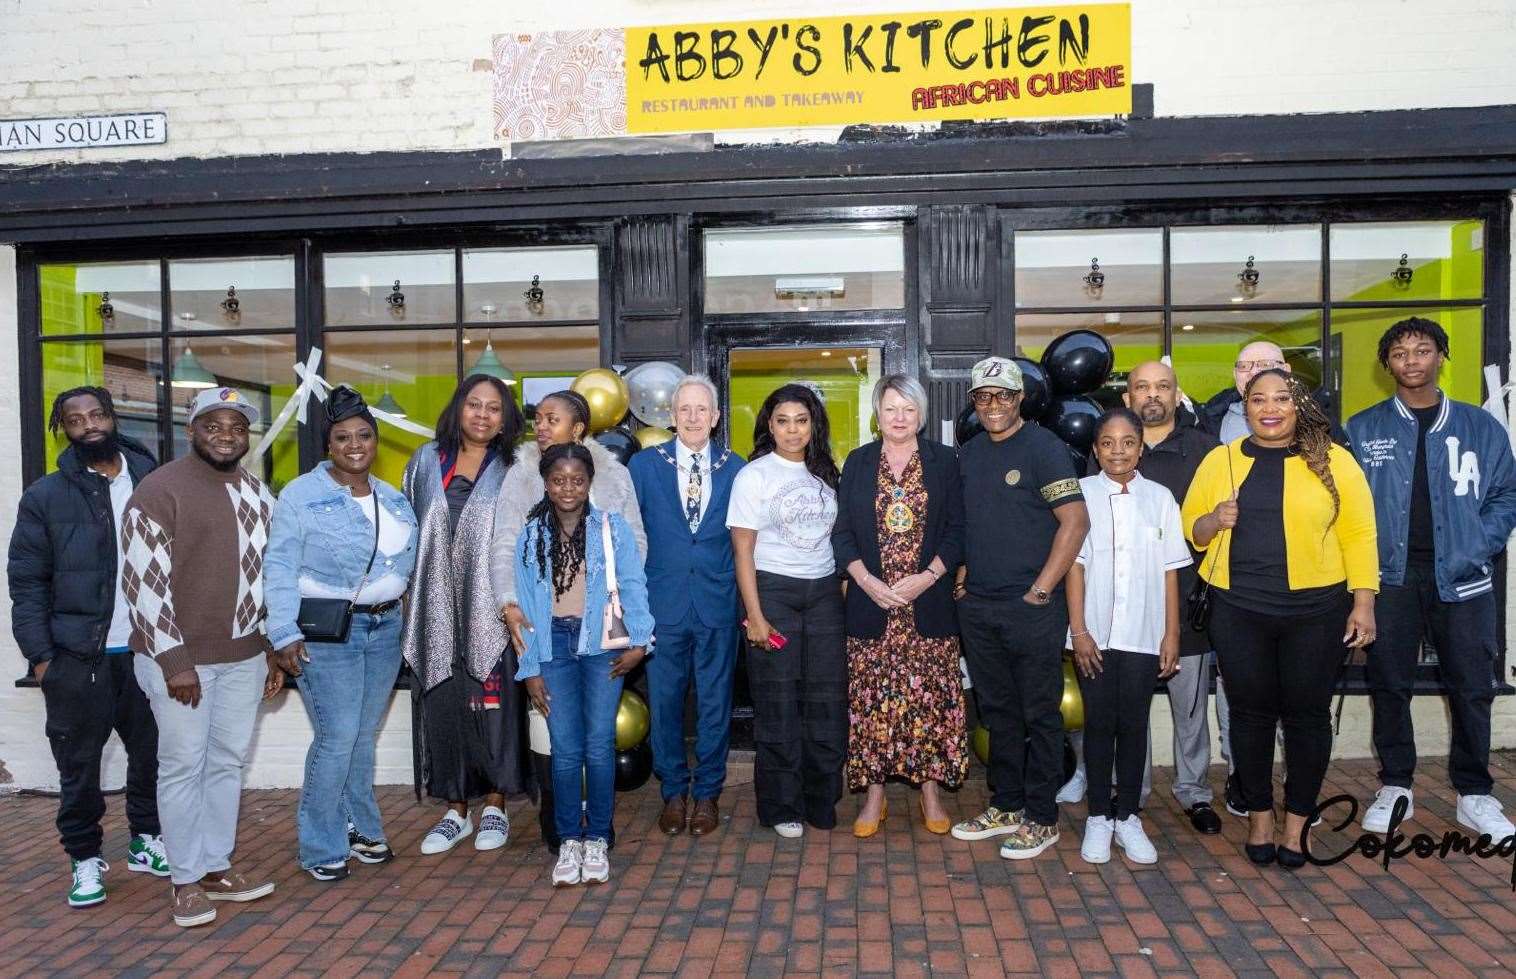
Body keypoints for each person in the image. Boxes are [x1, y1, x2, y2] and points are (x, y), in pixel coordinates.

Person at [1182, 369, 1377, 868]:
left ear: (1298, 405)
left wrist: (1363, 602)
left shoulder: (1335, 461)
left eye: (1281, 398)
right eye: (1258, 399)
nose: (1269, 408)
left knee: (1307, 717)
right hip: (1239, 607)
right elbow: (1192, 530)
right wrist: (1214, 520)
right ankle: (1260, 819)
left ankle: (1297, 825)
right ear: (1244, 408)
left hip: (1316, 611)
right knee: (1249, 717)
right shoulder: (1220, 461)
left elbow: (1359, 533)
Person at [1346, 317, 1516, 839]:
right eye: (1401, 353)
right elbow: (1346, 506)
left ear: (1442, 356)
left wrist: (1476, 545)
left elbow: (1506, 494)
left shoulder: (1479, 426)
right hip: (1390, 578)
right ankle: (1396, 784)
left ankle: (1475, 793)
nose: (1412, 360)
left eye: (1423, 350)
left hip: (1463, 580)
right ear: (1387, 364)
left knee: (1471, 686)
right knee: (1389, 682)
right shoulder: (1363, 428)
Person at [120, 387, 282, 928]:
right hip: (180, 663)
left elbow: (267, 583)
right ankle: (184, 880)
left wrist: (272, 651)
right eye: (214, 425)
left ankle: (215, 866)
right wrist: (174, 662)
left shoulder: (258, 494)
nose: (226, 435)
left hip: (243, 658)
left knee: (227, 763)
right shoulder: (158, 490)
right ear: (192, 431)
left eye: (236, 427)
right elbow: (144, 584)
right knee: (183, 766)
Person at [7, 387, 169, 908]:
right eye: (76, 419)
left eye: (97, 414)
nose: (89, 424)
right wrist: (42, 658)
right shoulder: (45, 496)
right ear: (64, 429)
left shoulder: (154, 481)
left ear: (112, 417)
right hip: (79, 656)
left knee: (154, 754)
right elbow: (27, 581)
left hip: (150, 650)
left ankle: (146, 841)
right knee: (78, 766)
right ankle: (84, 859)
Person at [264, 387, 419, 881]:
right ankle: (320, 843)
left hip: (386, 627)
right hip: (329, 634)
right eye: (342, 437)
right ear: (328, 444)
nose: (355, 444)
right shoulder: (301, 495)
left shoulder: (392, 498)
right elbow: (280, 564)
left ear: (376, 441)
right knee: (336, 737)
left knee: (361, 737)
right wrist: (283, 631)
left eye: (364, 436)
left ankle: (360, 826)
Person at [491, 388, 645, 849]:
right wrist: (510, 602)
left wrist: (625, 614)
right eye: (537, 418)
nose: (540, 426)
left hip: (600, 630)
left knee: (595, 740)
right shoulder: (519, 479)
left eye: (552, 419)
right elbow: (504, 547)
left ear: (578, 428)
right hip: (541, 628)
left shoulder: (612, 479)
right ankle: (560, 826)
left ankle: (596, 828)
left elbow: (635, 546)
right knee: (555, 737)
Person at [952, 356, 1089, 861]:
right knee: (998, 711)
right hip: (980, 607)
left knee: (1040, 713)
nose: (993, 406)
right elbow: (969, 524)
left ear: (1019, 399)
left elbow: (1075, 522)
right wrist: (964, 575)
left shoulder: (1044, 448)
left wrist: (1042, 590)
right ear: (975, 402)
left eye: (1003, 396)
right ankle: (1006, 805)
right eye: (983, 397)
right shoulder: (968, 455)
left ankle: (1042, 817)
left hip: (1031, 607)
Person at [832, 374, 967, 838]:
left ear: (921, 415)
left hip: (925, 606)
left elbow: (957, 531)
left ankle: (930, 791)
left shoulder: (945, 461)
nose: (899, 418)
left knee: (927, 702)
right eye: (890, 408)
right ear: (877, 413)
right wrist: (866, 581)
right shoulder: (858, 461)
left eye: (908, 409)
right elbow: (842, 533)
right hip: (872, 608)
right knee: (872, 706)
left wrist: (927, 577)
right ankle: (873, 796)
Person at [514, 443, 654, 886]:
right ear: (547, 484)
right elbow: (526, 610)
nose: (568, 488)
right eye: (559, 480)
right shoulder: (532, 535)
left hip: (601, 647)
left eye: (577, 480)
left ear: (589, 482)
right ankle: (568, 839)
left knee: (598, 746)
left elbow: (633, 587)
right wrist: (530, 668)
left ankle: (596, 839)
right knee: (565, 748)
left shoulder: (612, 530)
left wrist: (640, 641)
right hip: (552, 646)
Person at [402, 375, 527, 856]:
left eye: (493, 408)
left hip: (492, 608)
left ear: (505, 418)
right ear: (458, 409)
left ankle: (495, 803)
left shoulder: (517, 467)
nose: (482, 415)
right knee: (445, 707)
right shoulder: (424, 462)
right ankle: (455, 810)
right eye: (473, 405)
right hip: (432, 605)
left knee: (494, 707)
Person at [1067, 408, 1189, 865]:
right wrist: (1079, 631)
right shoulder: (1081, 495)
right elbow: (1075, 566)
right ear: (1095, 449)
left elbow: (1171, 571)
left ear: (1141, 447)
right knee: (1099, 724)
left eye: (1127, 442)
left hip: (1143, 633)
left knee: (1134, 725)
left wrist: (1170, 634)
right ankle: (1099, 816)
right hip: (1093, 632)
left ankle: (1127, 817)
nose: (1117, 451)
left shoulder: (1159, 499)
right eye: (1107, 443)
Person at [627, 374, 745, 838]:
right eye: (685, 409)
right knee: (666, 702)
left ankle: (709, 794)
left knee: (716, 703)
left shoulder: (736, 468)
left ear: (716, 418)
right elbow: (628, 539)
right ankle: (674, 792)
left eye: (702, 410)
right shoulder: (643, 467)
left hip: (718, 603)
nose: (693, 417)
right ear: (672, 416)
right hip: (662, 605)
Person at [728, 383, 844, 839]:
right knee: (778, 705)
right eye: (782, 421)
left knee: (826, 702)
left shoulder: (826, 473)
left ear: (814, 424)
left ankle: (821, 799)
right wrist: (754, 615)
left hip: (824, 595)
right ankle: (781, 807)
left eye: (801, 420)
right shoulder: (753, 475)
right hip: (772, 591)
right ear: (769, 426)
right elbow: (742, 552)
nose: (792, 430)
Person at [1121, 360, 1230, 833]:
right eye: (1142, 387)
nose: (1152, 395)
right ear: (1127, 399)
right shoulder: (1112, 449)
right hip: (1127, 606)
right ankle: (1132, 792)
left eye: (1162, 387)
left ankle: (1194, 792)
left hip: (1189, 603)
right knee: (1131, 707)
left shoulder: (1209, 451)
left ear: (1177, 394)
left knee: (1190, 710)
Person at [1195, 340, 1344, 445]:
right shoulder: (1211, 420)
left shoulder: (1319, 422)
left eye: (1264, 364)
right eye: (1244, 366)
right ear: (1235, 375)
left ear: (1286, 370)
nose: (1253, 372)